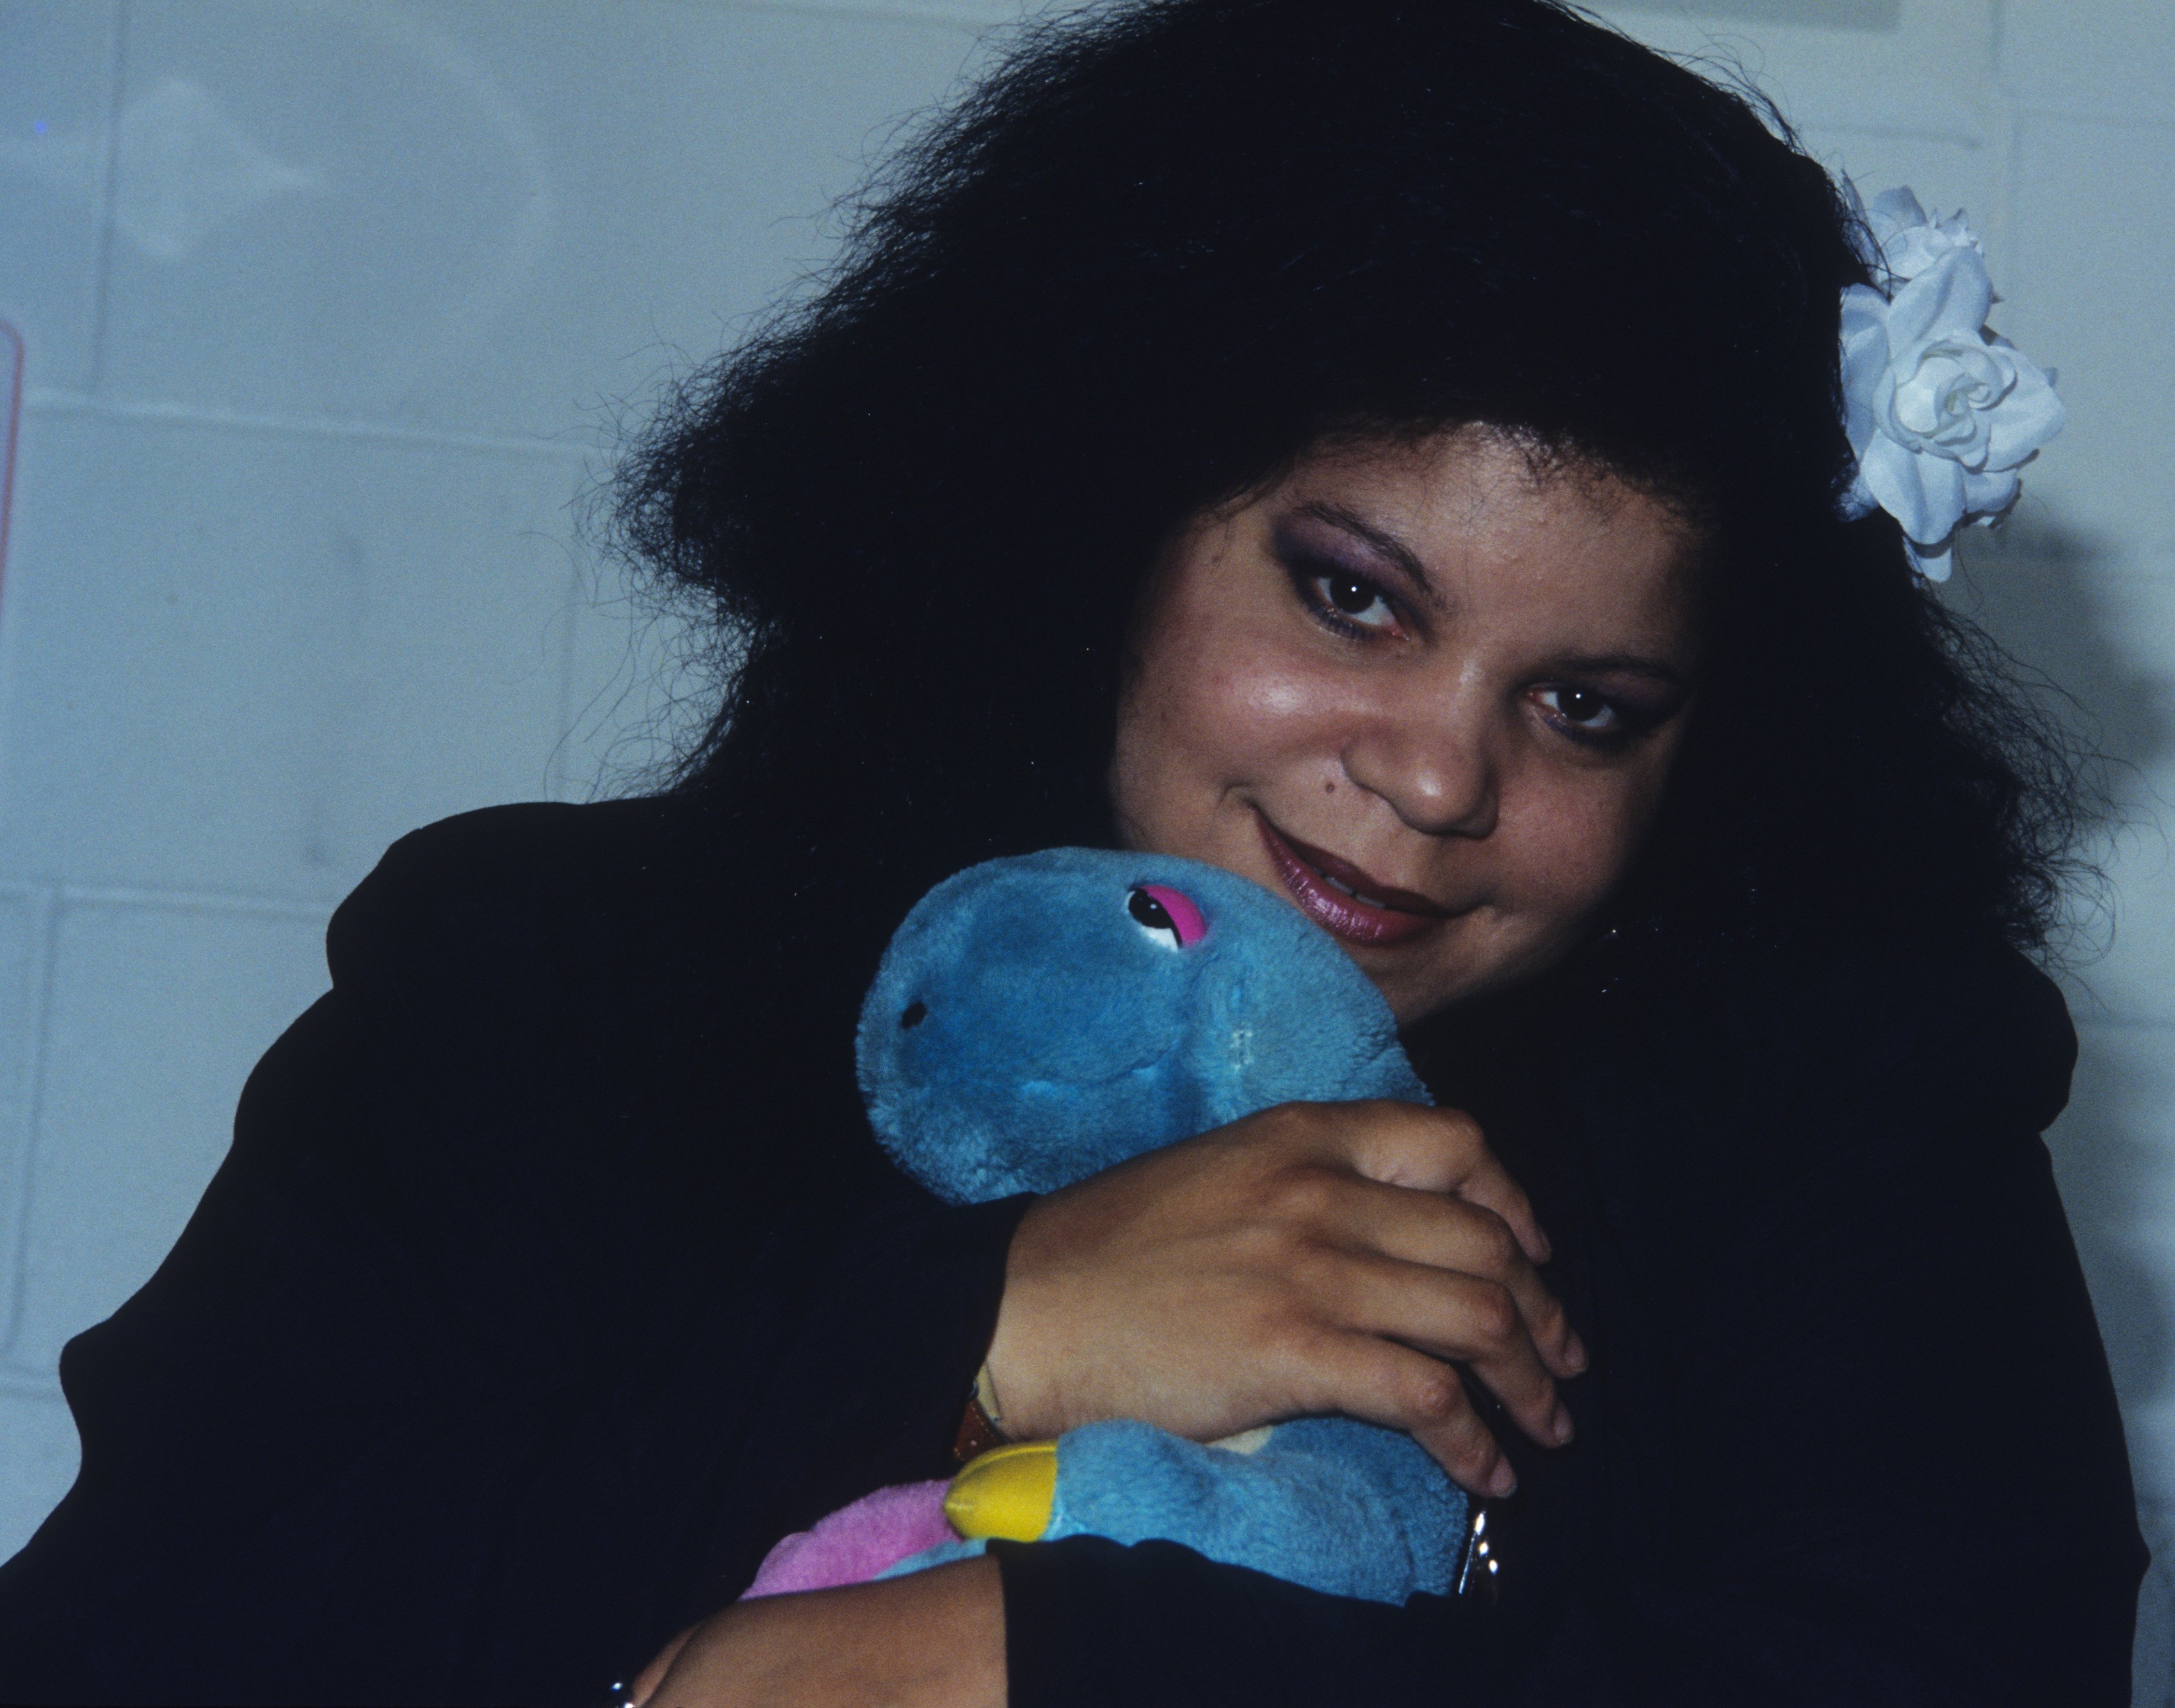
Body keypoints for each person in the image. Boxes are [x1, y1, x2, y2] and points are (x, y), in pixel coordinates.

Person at [0, 1, 2147, 1703]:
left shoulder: (1851, 1118)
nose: (1434, 779)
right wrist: (974, 1333)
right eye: (1353, 598)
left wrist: (1050, 1660)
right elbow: (150, 1641)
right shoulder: (548, 983)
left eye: (1587, 707)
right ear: (1103, 512)